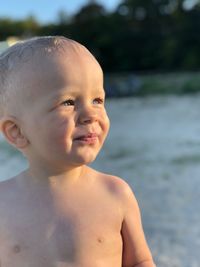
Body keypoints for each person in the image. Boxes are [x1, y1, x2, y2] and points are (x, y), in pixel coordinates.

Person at [0, 36, 156, 267]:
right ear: (17, 132)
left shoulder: (115, 194)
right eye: (68, 102)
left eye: (97, 100)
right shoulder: (4, 203)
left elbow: (139, 261)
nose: (91, 114)